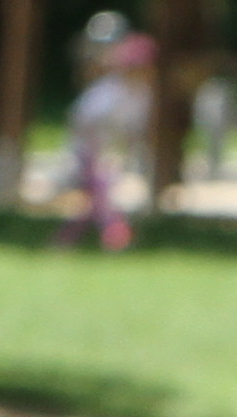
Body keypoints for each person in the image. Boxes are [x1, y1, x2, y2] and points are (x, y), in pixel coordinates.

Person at [58, 12, 155, 246]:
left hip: (112, 154)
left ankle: (68, 240)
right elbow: (83, 122)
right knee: (100, 200)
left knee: (96, 203)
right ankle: (114, 236)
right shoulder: (109, 91)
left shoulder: (141, 96)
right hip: (91, 153)